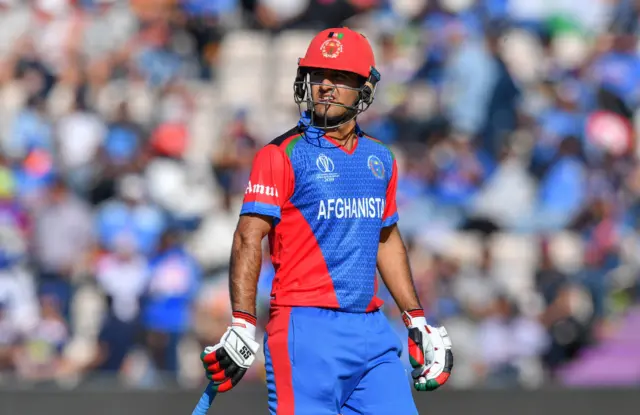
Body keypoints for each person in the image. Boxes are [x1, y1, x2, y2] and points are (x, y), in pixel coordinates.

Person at [200, 27, 454, 414]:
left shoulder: (380, 158)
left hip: (371, 330)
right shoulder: (281, 154)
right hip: (306, 330)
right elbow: (247, 238)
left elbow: (385, 239)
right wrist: (242, 321)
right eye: (318, 75)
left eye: (340, 77)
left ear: (364, 87)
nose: (326, 86)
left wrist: (416, 318)